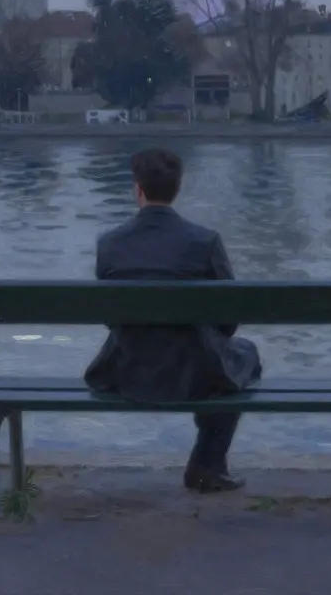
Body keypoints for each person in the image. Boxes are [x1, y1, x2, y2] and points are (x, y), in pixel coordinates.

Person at [84, 147, 263, 494]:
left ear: (137, 189)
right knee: (245, 355)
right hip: (193, 375)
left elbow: (110, 318)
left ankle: (207, 464)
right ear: (178, 188)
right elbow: (229, 317)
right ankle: (207, 463)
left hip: (127, 373)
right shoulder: (205, 241)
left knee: (226, 357)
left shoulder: (109, 244)